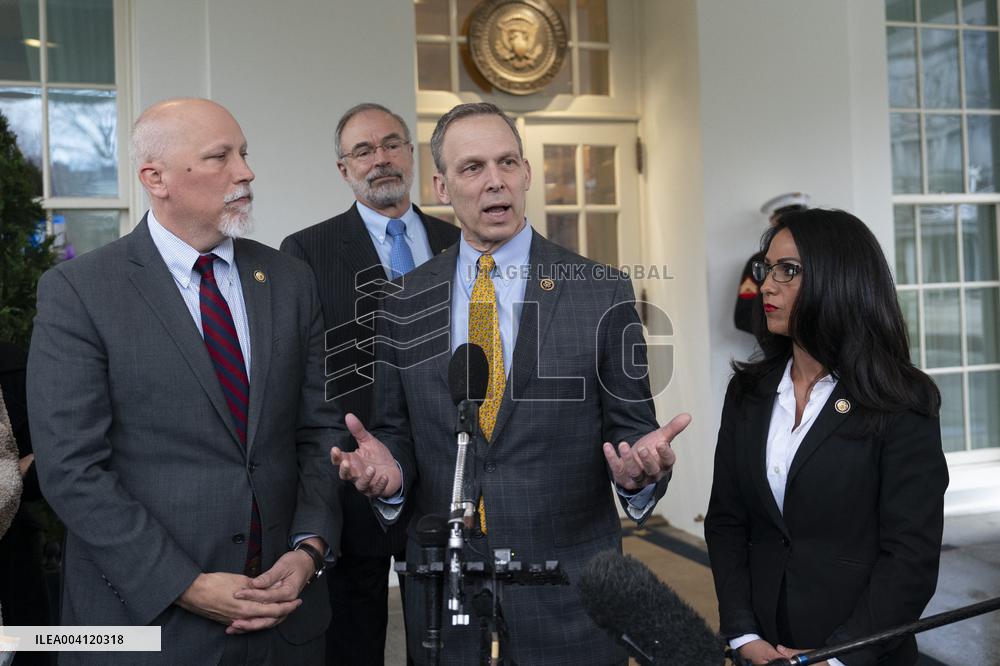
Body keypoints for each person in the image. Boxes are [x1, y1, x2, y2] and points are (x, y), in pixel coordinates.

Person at [332, 102, 691, 665]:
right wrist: (389, 474)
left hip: (571, 596)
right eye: (472, 167)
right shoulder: (404, 303)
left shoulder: (601, 292)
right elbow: (395, 434)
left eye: (506, 162)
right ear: (442, 187)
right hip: (447, 597)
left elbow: (634, 435)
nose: (495, 180)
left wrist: (638, 476)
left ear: (525, 174)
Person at [27, 98, 344, 665]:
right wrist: (187, 586)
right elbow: (72, 470)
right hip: (145, 628)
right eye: (219, 157)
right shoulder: (79, 292)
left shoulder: (291, 280)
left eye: (244, 154)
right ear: (156, 178)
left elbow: (320, 431)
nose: (245, 172)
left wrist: (309, 550)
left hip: (286, 623)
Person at [706, 209, 948, 666]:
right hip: (761, 649)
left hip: (861, 653)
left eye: (788, 271)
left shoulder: (902, 401)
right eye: (767, 268)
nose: (767, 285)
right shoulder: (749, 392)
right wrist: (742, 634)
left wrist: (839, 656)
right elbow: (726, 521)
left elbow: (910, 556)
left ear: (840, 279)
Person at [280, 102, 459, 665]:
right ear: (343, 169)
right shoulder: (305, 251)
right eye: (363, 150)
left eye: (391, 144)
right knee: (353, 634)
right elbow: (305, 372)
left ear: (411, 154)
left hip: (447, 467)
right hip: (352, 470)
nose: (380, 159)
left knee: (447, 630)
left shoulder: (462, 241)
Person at [734, 192, 810, 335]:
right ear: (774, 223)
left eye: (790, 270)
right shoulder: (757, 261)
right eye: (768, 267)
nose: (766, 288)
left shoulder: (816, 258)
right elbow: (743, 316)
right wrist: (776, 328)